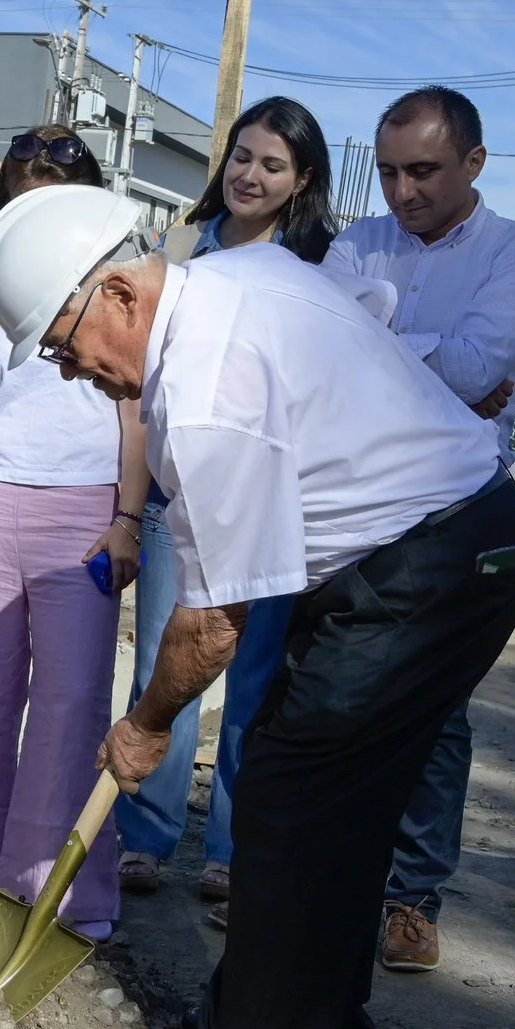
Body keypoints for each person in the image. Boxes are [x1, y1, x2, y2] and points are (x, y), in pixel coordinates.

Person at [0, 186, 515, 1029]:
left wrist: (143, 729)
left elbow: (211, 621)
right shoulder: (235, 278)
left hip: (429, 567)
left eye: (66, 346)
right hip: (433, 548)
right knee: (328, 810)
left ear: (115, 291)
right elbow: (359, 320)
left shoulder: (202, 388)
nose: (74, 372)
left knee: (288, 808)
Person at [320, 85, 515, 974]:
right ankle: (334, 881)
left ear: (474, 164)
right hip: (352, 502)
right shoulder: (354, 243)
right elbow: (328, 361)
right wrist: (435, 358)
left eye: (422, 169)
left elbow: (477, 369)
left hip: (455, 513)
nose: (401, 190)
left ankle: (410, 898)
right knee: (333, 694)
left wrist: (388, 346)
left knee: (437, 712)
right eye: (387, 171)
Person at [0, 132, 143, 928]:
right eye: (24, 191)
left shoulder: (117, 296)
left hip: (84, 511)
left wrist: (127, 517)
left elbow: (135, 406)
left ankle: (58, 895)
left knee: (70, 708)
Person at [140, 97, 341, 917]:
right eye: (242, 156)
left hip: (269, 504)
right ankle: (146, 833)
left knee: (253, 682)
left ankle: (229, 846)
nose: (250, 175)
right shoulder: (179, 248)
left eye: (272, 164)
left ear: (301, 182)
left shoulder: (319, 264)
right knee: (166, 662)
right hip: (176, 493)